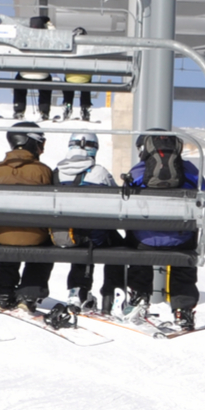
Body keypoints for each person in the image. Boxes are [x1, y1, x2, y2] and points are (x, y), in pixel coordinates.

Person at [121, 130, 203, 330]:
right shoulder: (190, 170)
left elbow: (125, 204)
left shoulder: (139, 171)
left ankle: (140, 296)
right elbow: (204, 195)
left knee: (136, 242)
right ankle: (183, 310)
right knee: (184, 258)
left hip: (144, 241)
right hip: (181, 241)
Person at [0, 121, 57, 311]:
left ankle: (2, 293)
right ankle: (28, 294)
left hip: (2, 233)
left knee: (9, 241)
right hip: (35, 235)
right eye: (41, 142)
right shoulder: (43, 170)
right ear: (31, 142)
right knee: (44, 244)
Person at [54, 133, 121, 312]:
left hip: (60, 236)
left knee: (80, 234)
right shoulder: (99, 172)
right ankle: (111, 294)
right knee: (118, 244)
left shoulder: (56, 172)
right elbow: (119, 202)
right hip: (92, 237)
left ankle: (78, 290)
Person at [13, 16, 55, 121]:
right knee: (46, 84)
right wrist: (49, 23)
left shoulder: (25, 38)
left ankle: (19, 110)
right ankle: (44, 111)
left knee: (19, 84)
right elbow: (56, 35)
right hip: (42, 75)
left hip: (25, 74)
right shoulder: (48, 38)